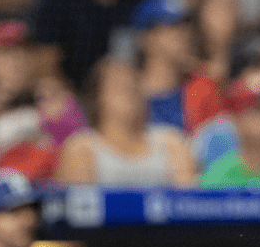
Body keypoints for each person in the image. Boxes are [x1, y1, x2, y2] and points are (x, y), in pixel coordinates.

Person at [0, 21, 84, 185]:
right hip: (3, 195)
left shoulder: (60, 102)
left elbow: (81, 161)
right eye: (5, 54)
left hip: (53, 192)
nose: (15, 62)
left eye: (23, 52)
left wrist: (55, 120)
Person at [55, 56, 197, 185]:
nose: (128, 89)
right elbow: (77, 202)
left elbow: (187, 199)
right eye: (118, 85)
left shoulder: (170, 142)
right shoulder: (81, 148)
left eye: (133, 84)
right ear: (98, 97)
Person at [131, 0, 223, 134]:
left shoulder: (203, 90)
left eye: (186, 25)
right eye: (172, 25)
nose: (183, 34)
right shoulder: (126, 91)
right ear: (146, 37)